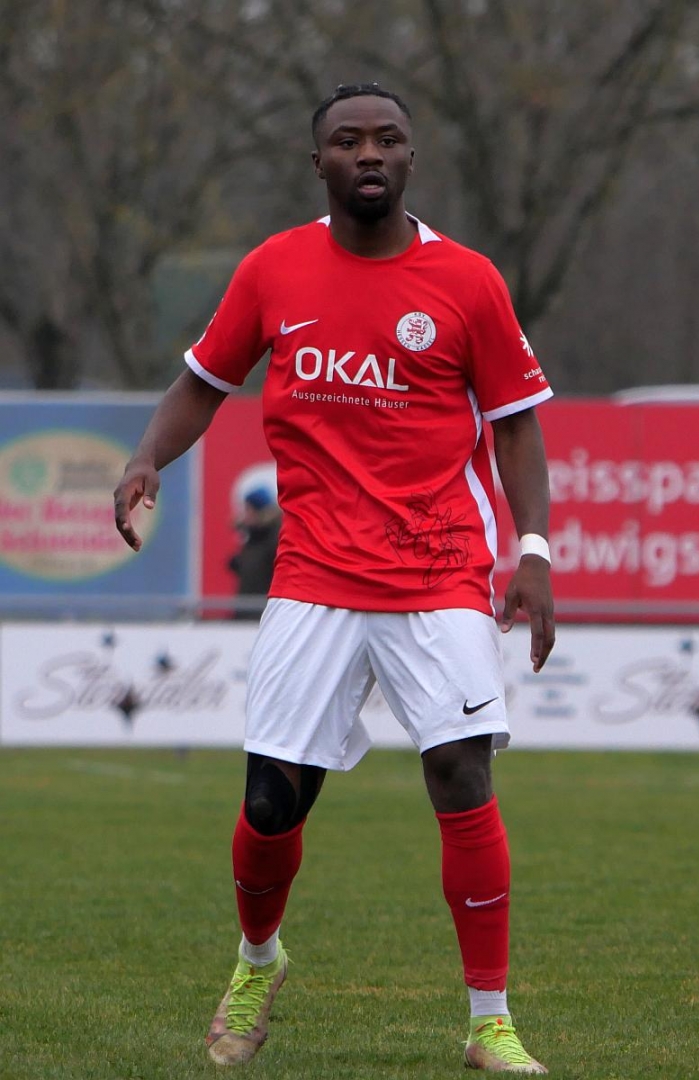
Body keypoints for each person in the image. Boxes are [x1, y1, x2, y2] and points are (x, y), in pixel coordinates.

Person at [114, 82, 555, 1074]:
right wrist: (147, 457)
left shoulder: (468, 280)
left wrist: (532, 550)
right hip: (313, 574)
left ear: (411, 158)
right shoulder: (274, 268)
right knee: (273, 803)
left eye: (388, 139)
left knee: (462, 771)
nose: (369, 153)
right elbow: (202, 384)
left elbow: (518, 426)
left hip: (438, 570)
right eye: (348, 140)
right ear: (318, 162)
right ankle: (257, 962)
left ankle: (490, 1021)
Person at [227, 463, 282, 616]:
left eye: (249, 509)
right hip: (247, 612)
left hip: (261, 614)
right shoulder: (254, 538)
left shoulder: (273, 540)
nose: (245, 515)